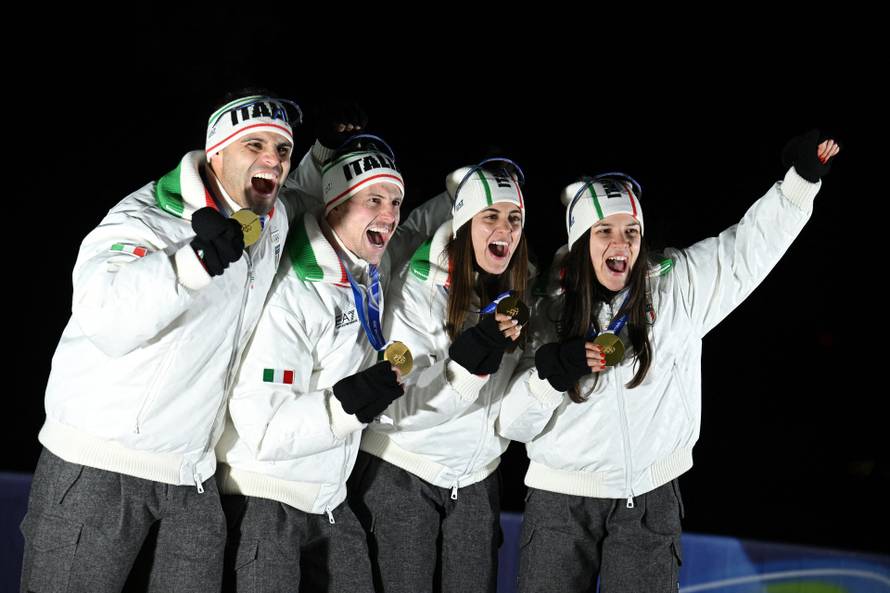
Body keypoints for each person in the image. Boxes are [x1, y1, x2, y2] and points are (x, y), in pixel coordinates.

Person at [497, 130, 840, 593]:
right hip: (561, 501)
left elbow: (744, 252)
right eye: (605, 231)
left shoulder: (675, 286)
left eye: (631, 231)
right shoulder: (541, 307)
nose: (621, 243)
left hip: (650, 499)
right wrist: (549, 375)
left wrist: (799, 183)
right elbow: (510, 424)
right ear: (580, 240)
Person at [19, 92, 320, 592]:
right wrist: (190, 262)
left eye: (282, 150)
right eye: (255, 145)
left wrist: (326, 152)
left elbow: (305, 196)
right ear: (216, 153)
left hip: (191, 476)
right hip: (100, 465)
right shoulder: (144, 219)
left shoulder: (270, 219)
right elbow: (105, 317)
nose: (274, 159)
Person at [215, 134, 452, 592]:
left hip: (330, 500)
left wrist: (475, 192)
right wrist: (349, 404)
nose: (390, 214)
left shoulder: (368, 265)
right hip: (265, 498)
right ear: (337, 206)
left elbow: (426, 225)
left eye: (396, 200)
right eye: (374, 200)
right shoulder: (292, 292)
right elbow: (262, 429)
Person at [350, 159, 530, 593]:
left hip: (476, 484)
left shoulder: (520, 287)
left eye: (514, 218)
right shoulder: (417, 287)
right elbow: (395, 411)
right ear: (465, 220)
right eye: (490, 216)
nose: (503, 229)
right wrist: (467, 367)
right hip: (402, 475)